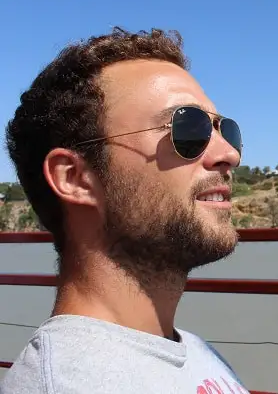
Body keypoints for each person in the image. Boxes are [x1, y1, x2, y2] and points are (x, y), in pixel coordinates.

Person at [0, 28, 250, 394]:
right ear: (75, 179)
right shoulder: (68, 384)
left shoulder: (193, 350)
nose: (230, 154)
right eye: (188, 128)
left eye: (223, 129)